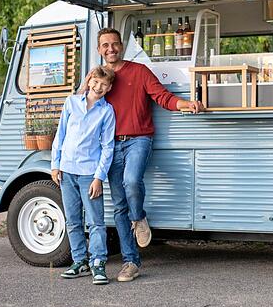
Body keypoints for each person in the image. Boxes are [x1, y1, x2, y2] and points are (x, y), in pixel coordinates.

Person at [97, 27, 203, 282]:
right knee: (119, 205)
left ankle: (139, 217)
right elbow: (85, 105)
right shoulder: (99, 77)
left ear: (121, 46)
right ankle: (130, 262)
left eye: (114, 44)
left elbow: (162, 97)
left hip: (138, 140)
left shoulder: (139, 71)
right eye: (105, 45)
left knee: (132, 181)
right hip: (110, 145)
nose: (110, 49)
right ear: (99, 50)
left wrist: (185, 104)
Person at [51, 65, 116, 285]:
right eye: (96, 82)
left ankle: (98, 263)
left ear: (108, 88)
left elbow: (108, 147)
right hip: (67, 171)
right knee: (73, 220)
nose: (98, 87)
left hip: (89, 174)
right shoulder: (71, 103)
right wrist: (55, 164)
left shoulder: (106, 112)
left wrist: (99, 177)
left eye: (104, 84)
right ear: (89, 81)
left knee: (96, 221)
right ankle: (80, 261)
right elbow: (60, 135)